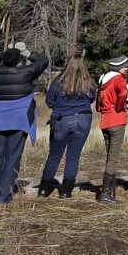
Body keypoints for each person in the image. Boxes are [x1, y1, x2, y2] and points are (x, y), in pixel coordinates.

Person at [0, 45, 48, 205]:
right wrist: (28, 53)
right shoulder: (26, 73)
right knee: (12, 158)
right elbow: (43, 61)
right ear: (19, 61)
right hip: (18, 120)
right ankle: (3, 197)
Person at [40, 58, 96, 198]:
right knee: (73, 156)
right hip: (83, 118)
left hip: (62, 119)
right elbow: (91, 98)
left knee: (54, 155)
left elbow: (49, 101)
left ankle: (44, 189)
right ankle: (66, 191)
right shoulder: (88, 82)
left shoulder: (58, 82)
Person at [96, 55, 128, 204]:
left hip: (105, 121)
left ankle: (110, 191)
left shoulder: (103, 78)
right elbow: (123, 94)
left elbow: (98, 101)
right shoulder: (119, 79)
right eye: (125, 66)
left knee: (110, 156)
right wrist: (120, 106)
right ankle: (105, 194)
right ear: (119, 67)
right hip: (116, 120)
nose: (127, 68)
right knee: (113, 158)